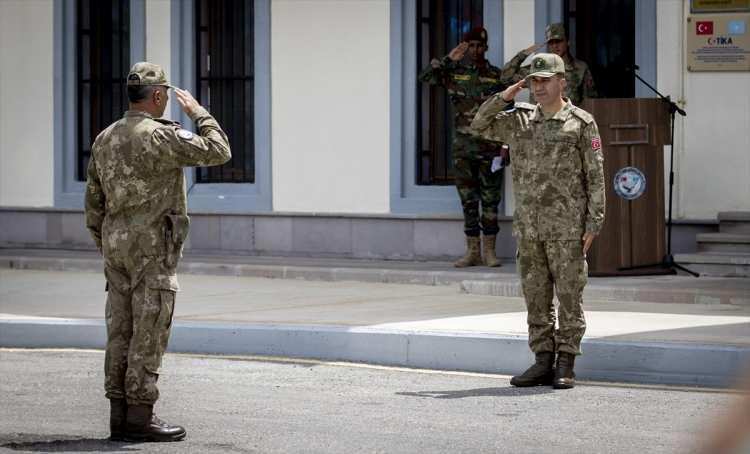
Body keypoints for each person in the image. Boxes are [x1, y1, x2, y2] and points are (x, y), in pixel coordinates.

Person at [85, 62, 231, 441]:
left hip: (116, 250)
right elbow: (219, 151)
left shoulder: (104, 138)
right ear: (158, 96)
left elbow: (93, 204)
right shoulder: (161, 136)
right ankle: (139, 417)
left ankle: (118, 414)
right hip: (153, 250)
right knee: (149, 331)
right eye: (164, 95)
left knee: (119, 331)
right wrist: (199, 113)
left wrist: (109, 243)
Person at [469, 53, 605, 389]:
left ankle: (566, 361)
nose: (539, 87)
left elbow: (596, 176)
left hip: (567, 228)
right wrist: (505, 96)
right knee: (536, 297)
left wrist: (594, 222)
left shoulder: (581, 123)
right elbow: (478, 124)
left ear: (562, 81)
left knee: (570, 295)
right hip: (529, 228)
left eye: (545, 80)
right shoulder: (519, 121)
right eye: (534, 80)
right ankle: (542, 360)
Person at [419, 27, 509, 268]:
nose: (475, 50)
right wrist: (449, 60)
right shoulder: (454, 73)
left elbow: (507, 112)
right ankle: (473, 252)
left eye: (479, 46)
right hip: (463, 150)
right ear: (465, 47)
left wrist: (505, 145)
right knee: (468, 202)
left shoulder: (495, 76)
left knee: (490, 202)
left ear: (486, 48)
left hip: (490, 149)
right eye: (471, 46)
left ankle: (490, 252)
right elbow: (425, 79)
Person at [501, 23, 597, 106]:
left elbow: (590, 100)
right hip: (539, 123)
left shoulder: (580, 68)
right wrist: (524, 53)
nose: (555, 46)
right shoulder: (537, 68)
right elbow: (506, 78)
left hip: (568, 123)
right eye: (551, 43)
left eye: (558, 41)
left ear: (567, 42)